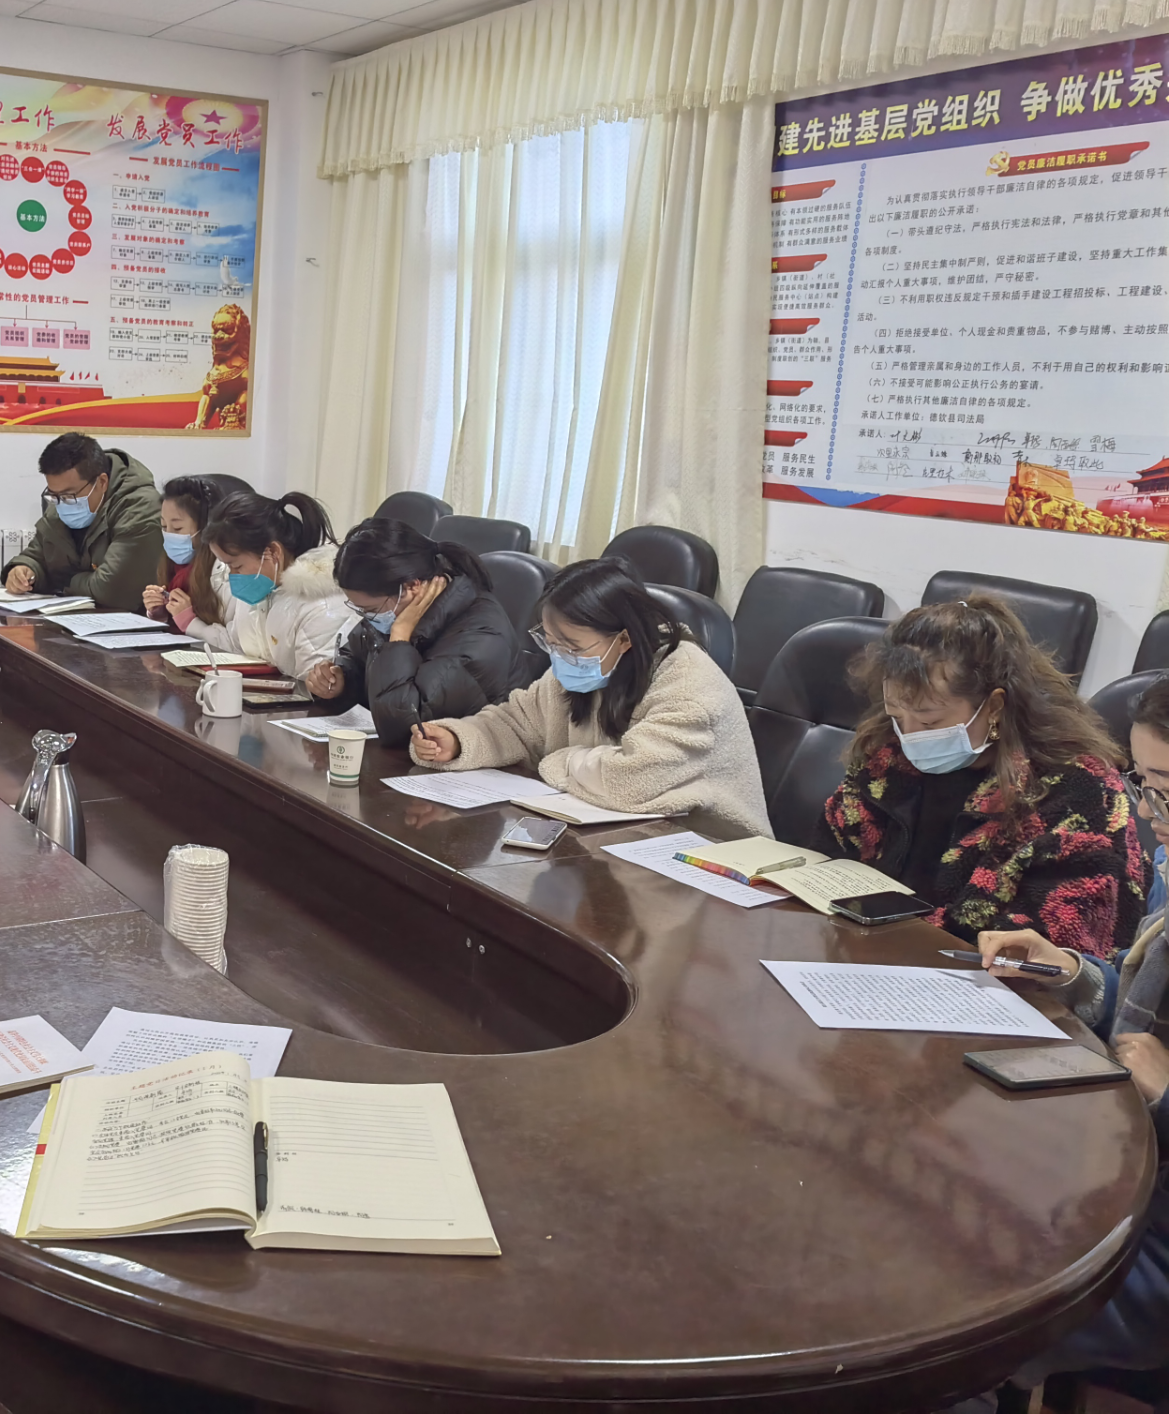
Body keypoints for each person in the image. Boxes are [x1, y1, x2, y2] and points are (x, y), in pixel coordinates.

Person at [939, 676, 1169, 1404]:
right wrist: (1071, 972)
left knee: (951, 1297)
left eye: (1165, 792)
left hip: (1149, 1232)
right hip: (1117, 1163)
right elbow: (1144, 1006)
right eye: (1146, 786)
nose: (1149, 816)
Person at [817, 594, 1143, 957]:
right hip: (869, 955)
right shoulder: (887, 754)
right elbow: (830, 853)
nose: (909, 735)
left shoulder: (1077, 788)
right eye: (897, 715)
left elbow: (1050, 947)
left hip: (986, 979)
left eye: (929, 721)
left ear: (994, 707)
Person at [410, 558, 769, 838]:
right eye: (551, 642)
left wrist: (560, 761)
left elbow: (631, 780)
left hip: (712, 854)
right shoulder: (582, 665)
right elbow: (518, 723)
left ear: (624, 639)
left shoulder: (689, 682)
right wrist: (458, 740)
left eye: (571, 646)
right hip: (617, 837)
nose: (560, 656)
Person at [308, 518, 533, 746]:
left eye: (371, 610)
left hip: (469, 760)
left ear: (411, 586)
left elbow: (405, 726)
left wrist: (398, 640)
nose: (368, 618)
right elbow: (358, 659)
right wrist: (340, 681)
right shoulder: (399, 607)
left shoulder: (480, 636)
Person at [173, 491, 354, 680]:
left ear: (273, 552)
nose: (233, 576)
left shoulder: (322, 605)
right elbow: (235, 645)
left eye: (237, 566)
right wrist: (191, 624)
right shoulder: (262, 587)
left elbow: (315, 686)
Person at [1, 432, 161, 608]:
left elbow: (112, 590)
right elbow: (37, 555)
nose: (61, 502)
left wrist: (63, 581)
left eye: (68, 495)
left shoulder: (140, 508)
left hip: (126, 619)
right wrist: (23, 570)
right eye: (54, 495)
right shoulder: (62, 502)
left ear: (102, 482)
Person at [141, 475, 224, 630]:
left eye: (177, 528)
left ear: (206, 527)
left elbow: (229, 638)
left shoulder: (222, 574)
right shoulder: (172, 567)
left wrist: (188, 620)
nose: (169, 534)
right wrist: (160, 613)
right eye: (164, 526)